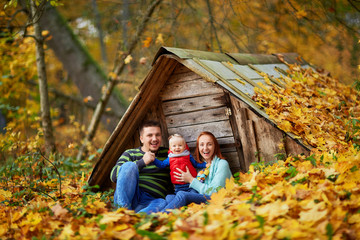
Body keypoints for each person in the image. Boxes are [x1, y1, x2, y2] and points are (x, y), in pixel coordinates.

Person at [110, 120, 173, 214]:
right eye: (150, 135)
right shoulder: (130, 153)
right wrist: (141, 162)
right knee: (129, 166)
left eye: (157, 135)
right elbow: (113, 175)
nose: (155, 138)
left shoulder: (168, 154)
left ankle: (135, 220)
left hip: (152, 201)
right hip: (131, 197)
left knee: (163, 202)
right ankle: (122, 213)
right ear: (142, 139)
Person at [160, 131, 233, 212]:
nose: (205, 148)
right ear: (198, 148)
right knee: (169, 197)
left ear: (215, 146)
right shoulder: (198, 166)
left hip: (215, 199)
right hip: (198, 198)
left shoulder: (222, 164)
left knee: (182, 195)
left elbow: (214, 192)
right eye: (201, 145)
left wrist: (191, 180)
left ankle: (158, 218)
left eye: (209, 144)